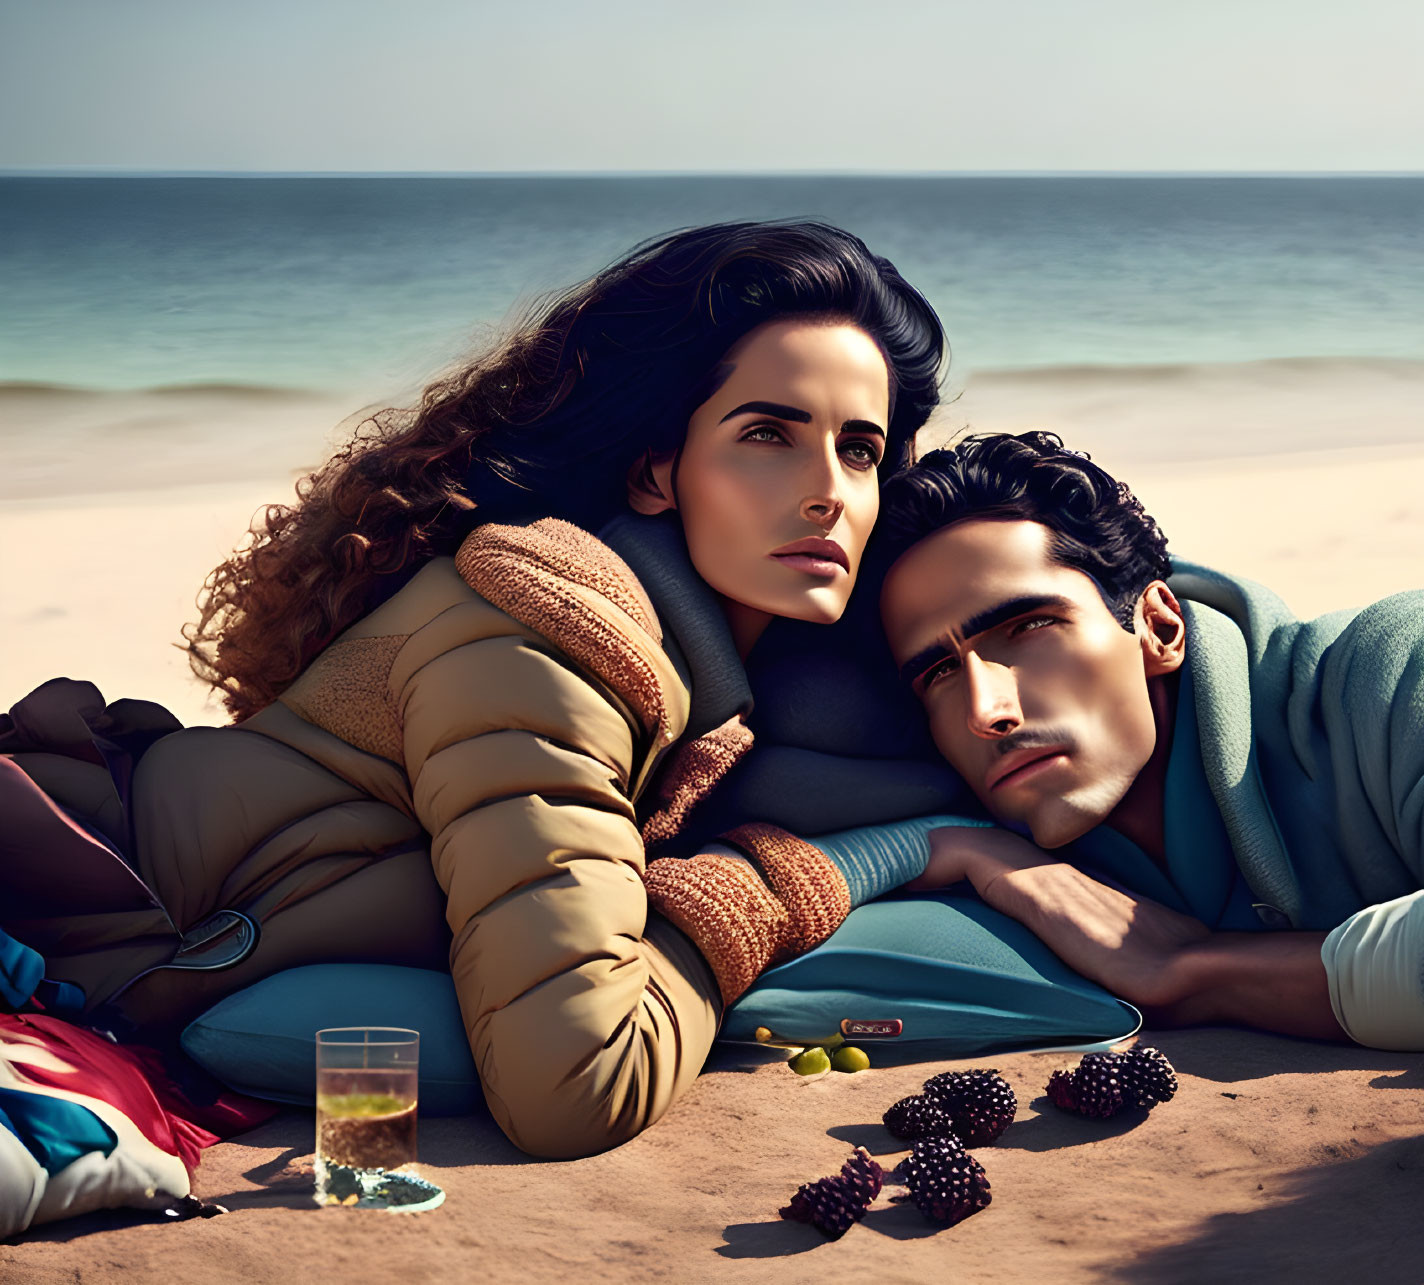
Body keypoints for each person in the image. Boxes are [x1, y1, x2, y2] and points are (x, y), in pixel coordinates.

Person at [0, 221, 979, 1160]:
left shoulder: (697, 679)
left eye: (860, 449)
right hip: (68, 933)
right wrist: (796, 877)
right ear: (655, 470)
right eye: (769, 433)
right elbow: (579, 1087)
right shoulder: (545, 652)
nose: (829, 491)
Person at [874, 431, 1424, 1051]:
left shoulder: (1407, 668)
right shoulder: (990, 832)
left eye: (1029, 628)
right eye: (938, 672)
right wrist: (963, 850)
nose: (985, 709)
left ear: (1159, 627)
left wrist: (1197, 971)